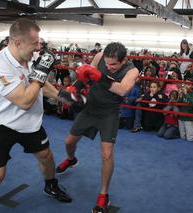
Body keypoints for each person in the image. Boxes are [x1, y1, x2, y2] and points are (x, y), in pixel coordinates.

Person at [0, 18, 79, 213]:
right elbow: (25, 101)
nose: (38, 47)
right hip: (1, 125)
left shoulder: (30, 58)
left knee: (46, 156)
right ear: (17, 42)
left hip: (29, 124)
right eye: (34, 44)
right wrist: (41, 72)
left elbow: (42, 85)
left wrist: (66, 97)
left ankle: (50, 185)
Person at [56, 42, 139, 213]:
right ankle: (71, 159)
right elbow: (85, 75)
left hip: (109, 113)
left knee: (107, 154)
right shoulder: (100, 56)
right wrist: (74, 89)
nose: (109, 67)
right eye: (107, 64)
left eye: (113, 64)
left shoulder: (132, 70)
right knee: (69, 141)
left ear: (123, 61)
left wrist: (99, 76)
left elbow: (122, 90)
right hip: (90, 107)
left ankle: (103, 195)